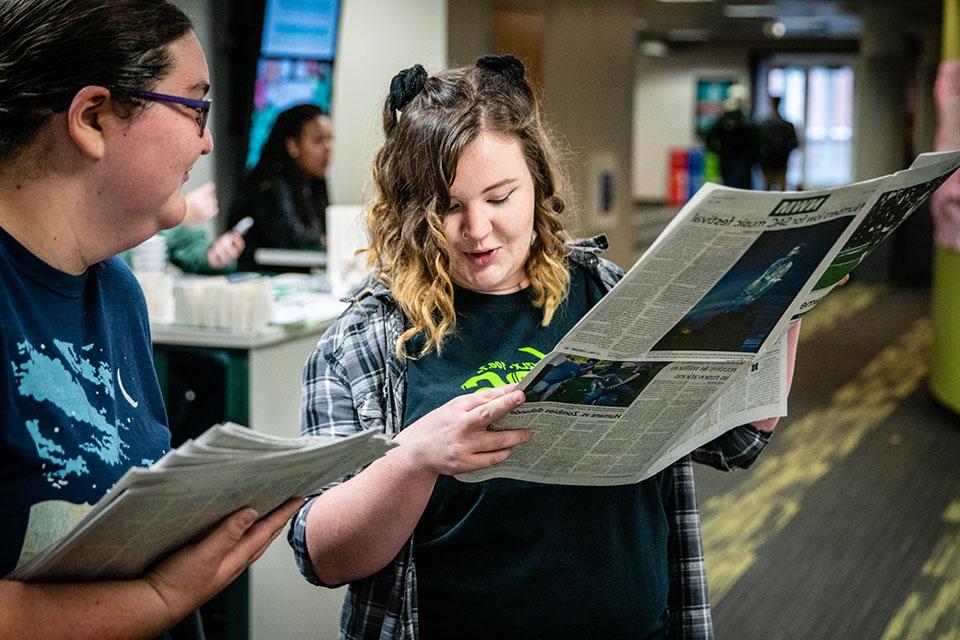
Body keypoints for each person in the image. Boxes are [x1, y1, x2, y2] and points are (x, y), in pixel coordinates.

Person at [289, 56, 802, 639]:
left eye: (500, 197)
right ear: (412, 211)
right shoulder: (365, 342)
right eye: (449, 207)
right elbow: (323, 557)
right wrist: (414, 460)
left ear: (537, 184)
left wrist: (786, 303)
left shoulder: (608, 293)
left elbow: (735, 441)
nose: (477, 229)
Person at [0, 1, 301, 637]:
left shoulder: (115, 291)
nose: (207, 140)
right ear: (92, 118)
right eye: (195, 106)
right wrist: (162, 598)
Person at [228, 104, 333, 272]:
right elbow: (292, 238)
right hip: (258, 277)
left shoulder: (313, 182)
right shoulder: (268, 183)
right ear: (293, 145)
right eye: (318, 140)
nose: (328, 148)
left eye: (330, 139)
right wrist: (323, 238)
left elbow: (326, 229)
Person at [125, 182, 246, 274]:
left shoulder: (165, 183)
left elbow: (186, 246)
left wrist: (214, 256)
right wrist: (180, 217)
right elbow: (120, 250)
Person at [705, 83, 759, 189]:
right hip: (736, 161)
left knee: (731, 188)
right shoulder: (745, 121)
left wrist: (718, 151)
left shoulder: (742, 120)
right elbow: (757, 140)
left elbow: (709, 137)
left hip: (734, 160)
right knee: (739, 189)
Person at [757, 96, 799, 191]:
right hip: (779, 162)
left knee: (768, 191)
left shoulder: (764, 125)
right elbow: (794, 143)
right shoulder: (786, 125)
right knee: (778, 190)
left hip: (771, 163)